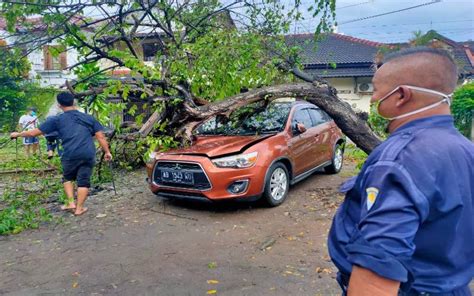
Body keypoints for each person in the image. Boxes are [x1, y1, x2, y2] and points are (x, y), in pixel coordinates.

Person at [328, 47, 474, 295]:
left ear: (401, 96)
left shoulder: (400, 158)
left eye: (375, 90)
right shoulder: (465, 149)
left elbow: (377, 272)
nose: (373, 100)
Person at [11, 92, 113, 216]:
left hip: (69, 154)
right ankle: (79, 208)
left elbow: (34, 133)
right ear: (74, 102)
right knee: (84, 180)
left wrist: (18, 134)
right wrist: (107, 152)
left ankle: (71, 203)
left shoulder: (57, 119)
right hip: (87, 153)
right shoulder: (89, 118)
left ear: (59, 105)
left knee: (68, 178)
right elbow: (100, 136)